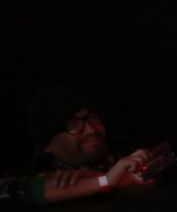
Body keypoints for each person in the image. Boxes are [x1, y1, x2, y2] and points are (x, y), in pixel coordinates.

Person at [6, 85, 154, 205]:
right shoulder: (34, 175)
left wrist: (102, 175)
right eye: (73, 125)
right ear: (47, 144)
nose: (91, 129)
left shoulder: (124, 148)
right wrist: (104, 180)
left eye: (94, 118)